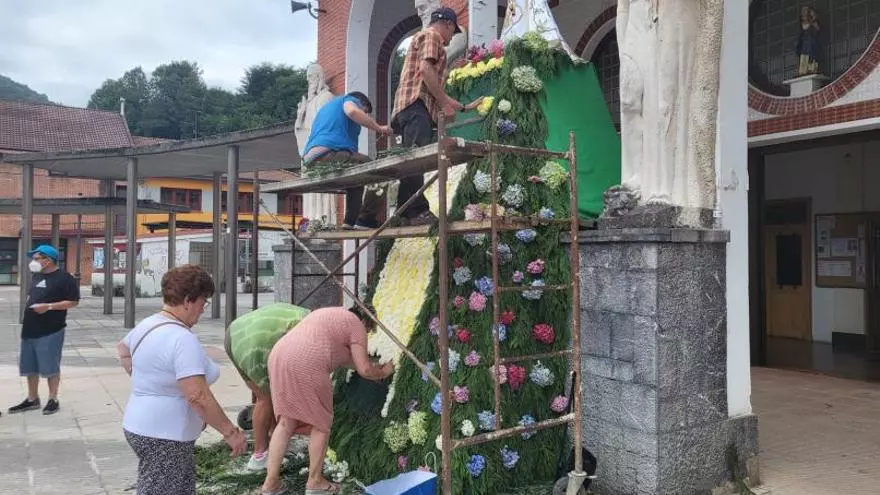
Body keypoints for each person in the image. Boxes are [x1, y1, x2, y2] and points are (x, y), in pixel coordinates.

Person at [116, 265, 248, 495]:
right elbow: (198, 396)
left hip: (141, 424)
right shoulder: (181, 338)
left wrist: (150, 383)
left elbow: (123, 350)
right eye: (203, 302)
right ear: (188, 300)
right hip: (166, 435)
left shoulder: (149, 324)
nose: (203, 309)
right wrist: (230, 432)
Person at [261, 306, 394, 495]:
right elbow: (364, 369)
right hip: (307, 362)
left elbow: (350, 361)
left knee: (285, 423)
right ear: (365, 321)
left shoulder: (329, 316)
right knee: (321, 425)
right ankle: (315, 480)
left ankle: (270, 483)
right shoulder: (355, 324)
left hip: (278, 356)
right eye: (368, 331)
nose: (365, 336)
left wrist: (374, 370)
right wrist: (384, 371)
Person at [390, 6, 484, 226]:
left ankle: (404, 211)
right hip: (415, 107)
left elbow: (433, 86)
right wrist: (444, 104)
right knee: (417, 159)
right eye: (453, 32)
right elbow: (426, 72)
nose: (451, 39)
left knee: (412, 159)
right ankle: (417, 211)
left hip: (411, 107)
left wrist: (464, 107)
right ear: (448, 24)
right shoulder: (432, 36)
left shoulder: (424, 39)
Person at [224, 302, 312, 471]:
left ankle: (273, 444)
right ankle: (259, 456)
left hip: (236, 333)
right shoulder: (312, 329)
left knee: (264, 397)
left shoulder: (307, 315)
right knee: (266, 399)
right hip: (257, 343)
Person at [302, 91, 392, 229]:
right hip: (328, 153)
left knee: (356, 180)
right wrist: (379, 128)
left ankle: (349, 222)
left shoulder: (328, 109)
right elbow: (352, 111)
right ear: (360, 103)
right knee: (379, 170)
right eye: (365, 111)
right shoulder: (349, 100)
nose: (365, 116)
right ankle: (366, 218)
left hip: (312, 160)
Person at [7, 245, 79, 416]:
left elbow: (74, 301)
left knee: (50, 365)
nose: (33, 262)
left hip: (51, 329)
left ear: (48, 260)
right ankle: (32, 399)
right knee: (30, 366)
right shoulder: (37, 276)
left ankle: (53, 399)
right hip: (30, 328)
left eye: (37, 258)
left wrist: (49, 306)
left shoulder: (65, 278)